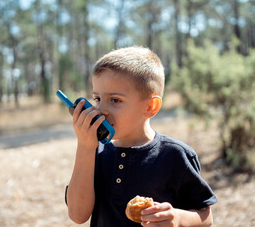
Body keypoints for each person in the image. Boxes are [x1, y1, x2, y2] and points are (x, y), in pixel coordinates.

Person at [65, 46, 217, 227]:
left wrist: (177, 218)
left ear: (150, 106)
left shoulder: (175, 155)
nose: (101, 110)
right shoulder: (94, 153)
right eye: (97, 98)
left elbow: (206, 216)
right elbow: (77, 215)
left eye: (115, 100)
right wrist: (84, 147)